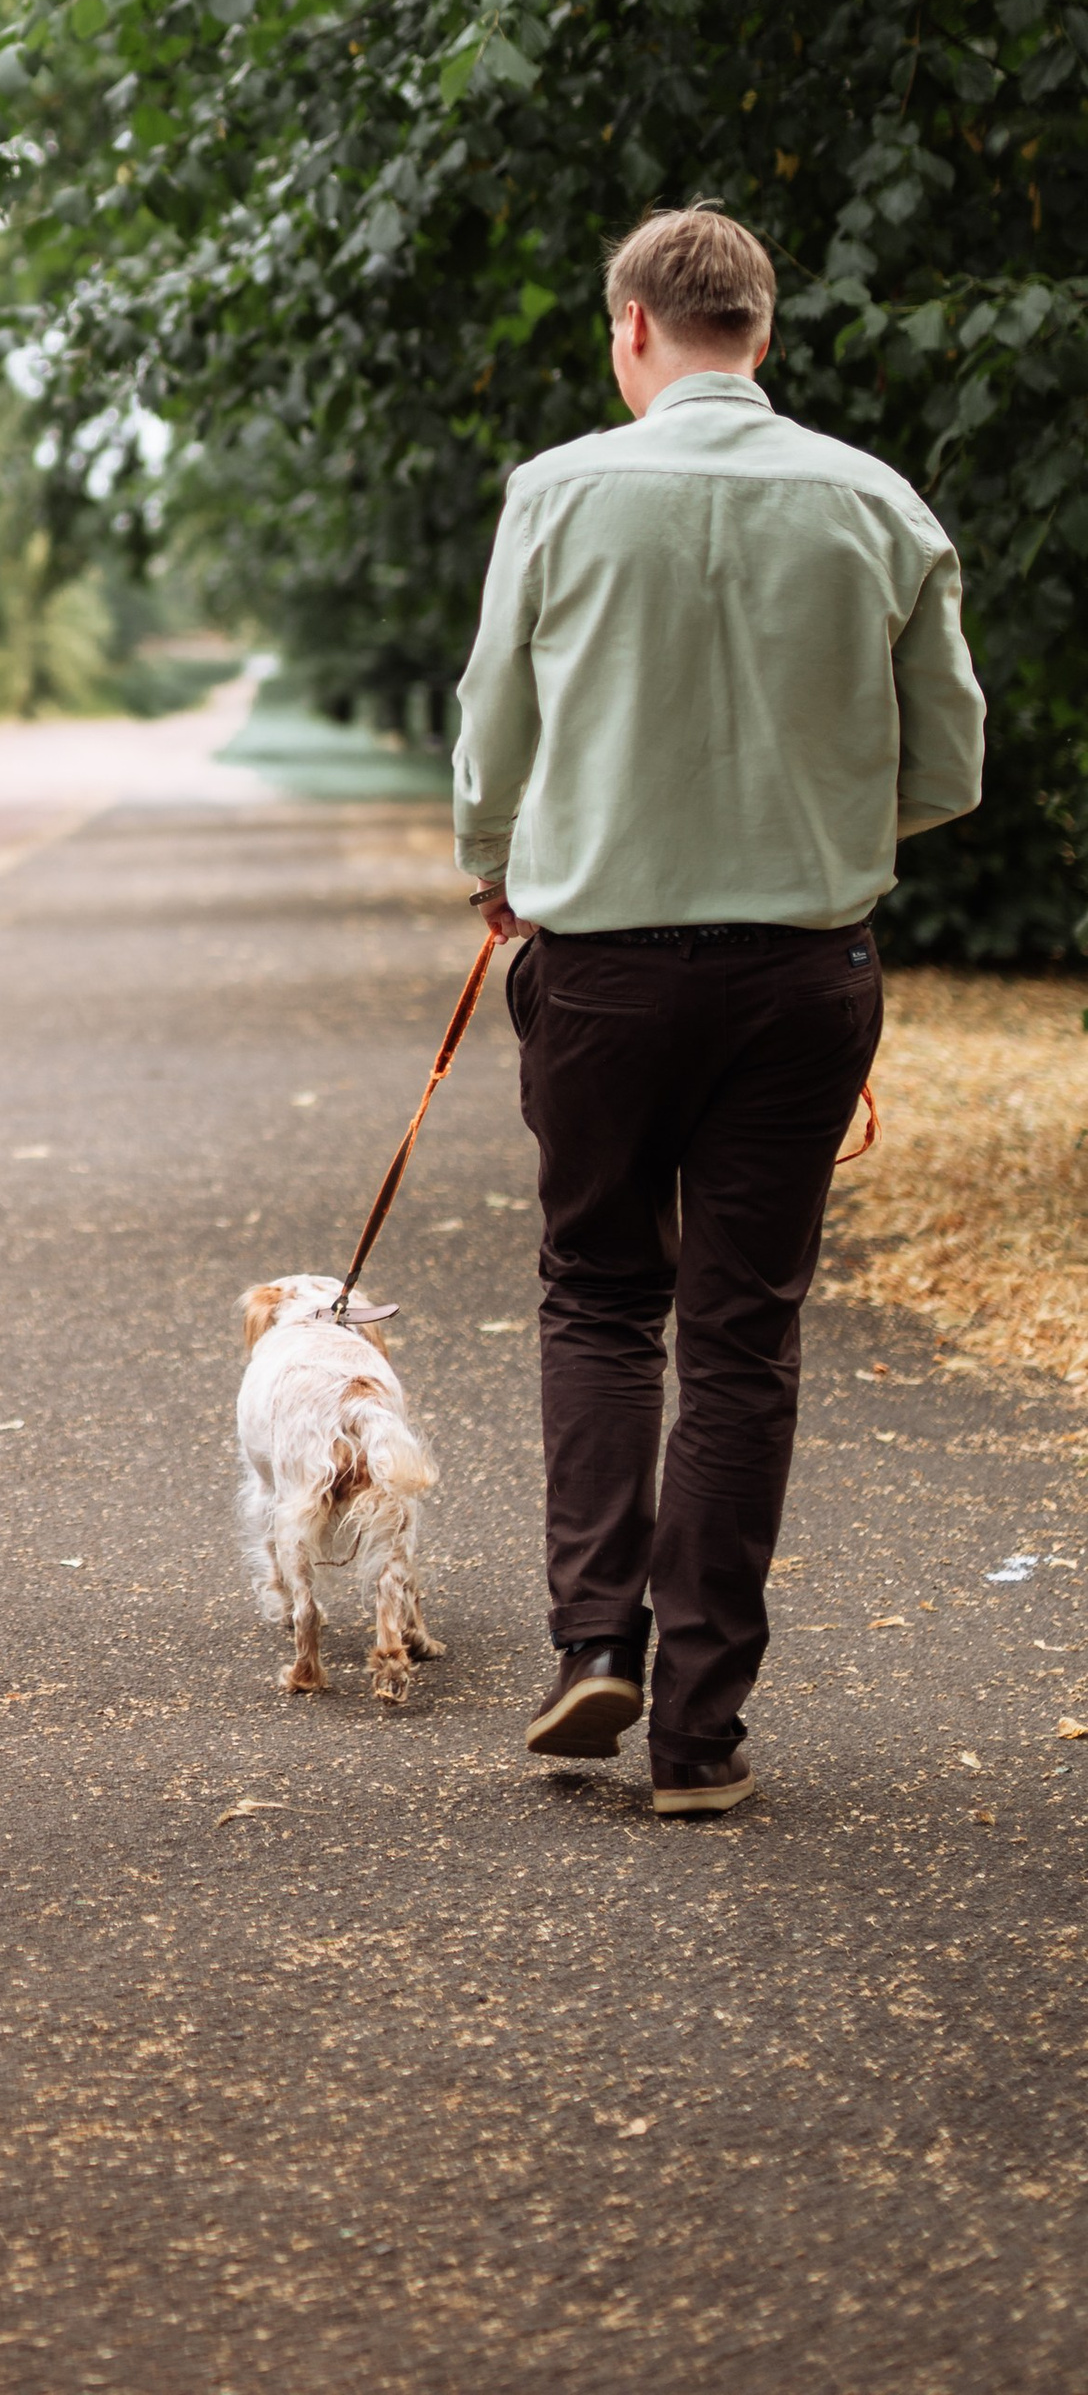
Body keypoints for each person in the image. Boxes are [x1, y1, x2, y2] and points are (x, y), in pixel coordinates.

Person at [454, 204, 985, 1817]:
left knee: (602, 1300)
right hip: (800, 975)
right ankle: (702, 1739)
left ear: (632, 328)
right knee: (744, 1332)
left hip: (604, 967)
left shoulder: (557, 494)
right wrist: (809, 837)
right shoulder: (878, 501)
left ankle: (590, 1644)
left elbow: (498, 726)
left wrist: (502, 868)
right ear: (760, 331)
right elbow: (950, 770)